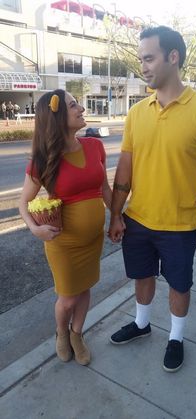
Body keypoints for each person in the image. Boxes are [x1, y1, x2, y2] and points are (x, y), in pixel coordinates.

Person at [108, 26, 196, 372]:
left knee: (179, 283)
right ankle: (142, 325)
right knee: (142, 277)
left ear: (173, 57)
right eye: (141, 59)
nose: (142, 66)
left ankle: (175, 337)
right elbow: (125, 170)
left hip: (180, 225)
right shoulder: (136, 113)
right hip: (139, 220)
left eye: (149, 58)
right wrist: (116, 215)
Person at [19, 89, 112, 365]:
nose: (81, 108)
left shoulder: (95, 147)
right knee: (67, 298)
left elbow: (104, 189)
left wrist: (118, 216)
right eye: (74, 105)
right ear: (58, 116)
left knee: (84, 289)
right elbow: (23, 203)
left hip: (93, 239)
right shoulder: (44, 158)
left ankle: (77, 334)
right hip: (63, 243)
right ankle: (61, 332)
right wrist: (35, 229)